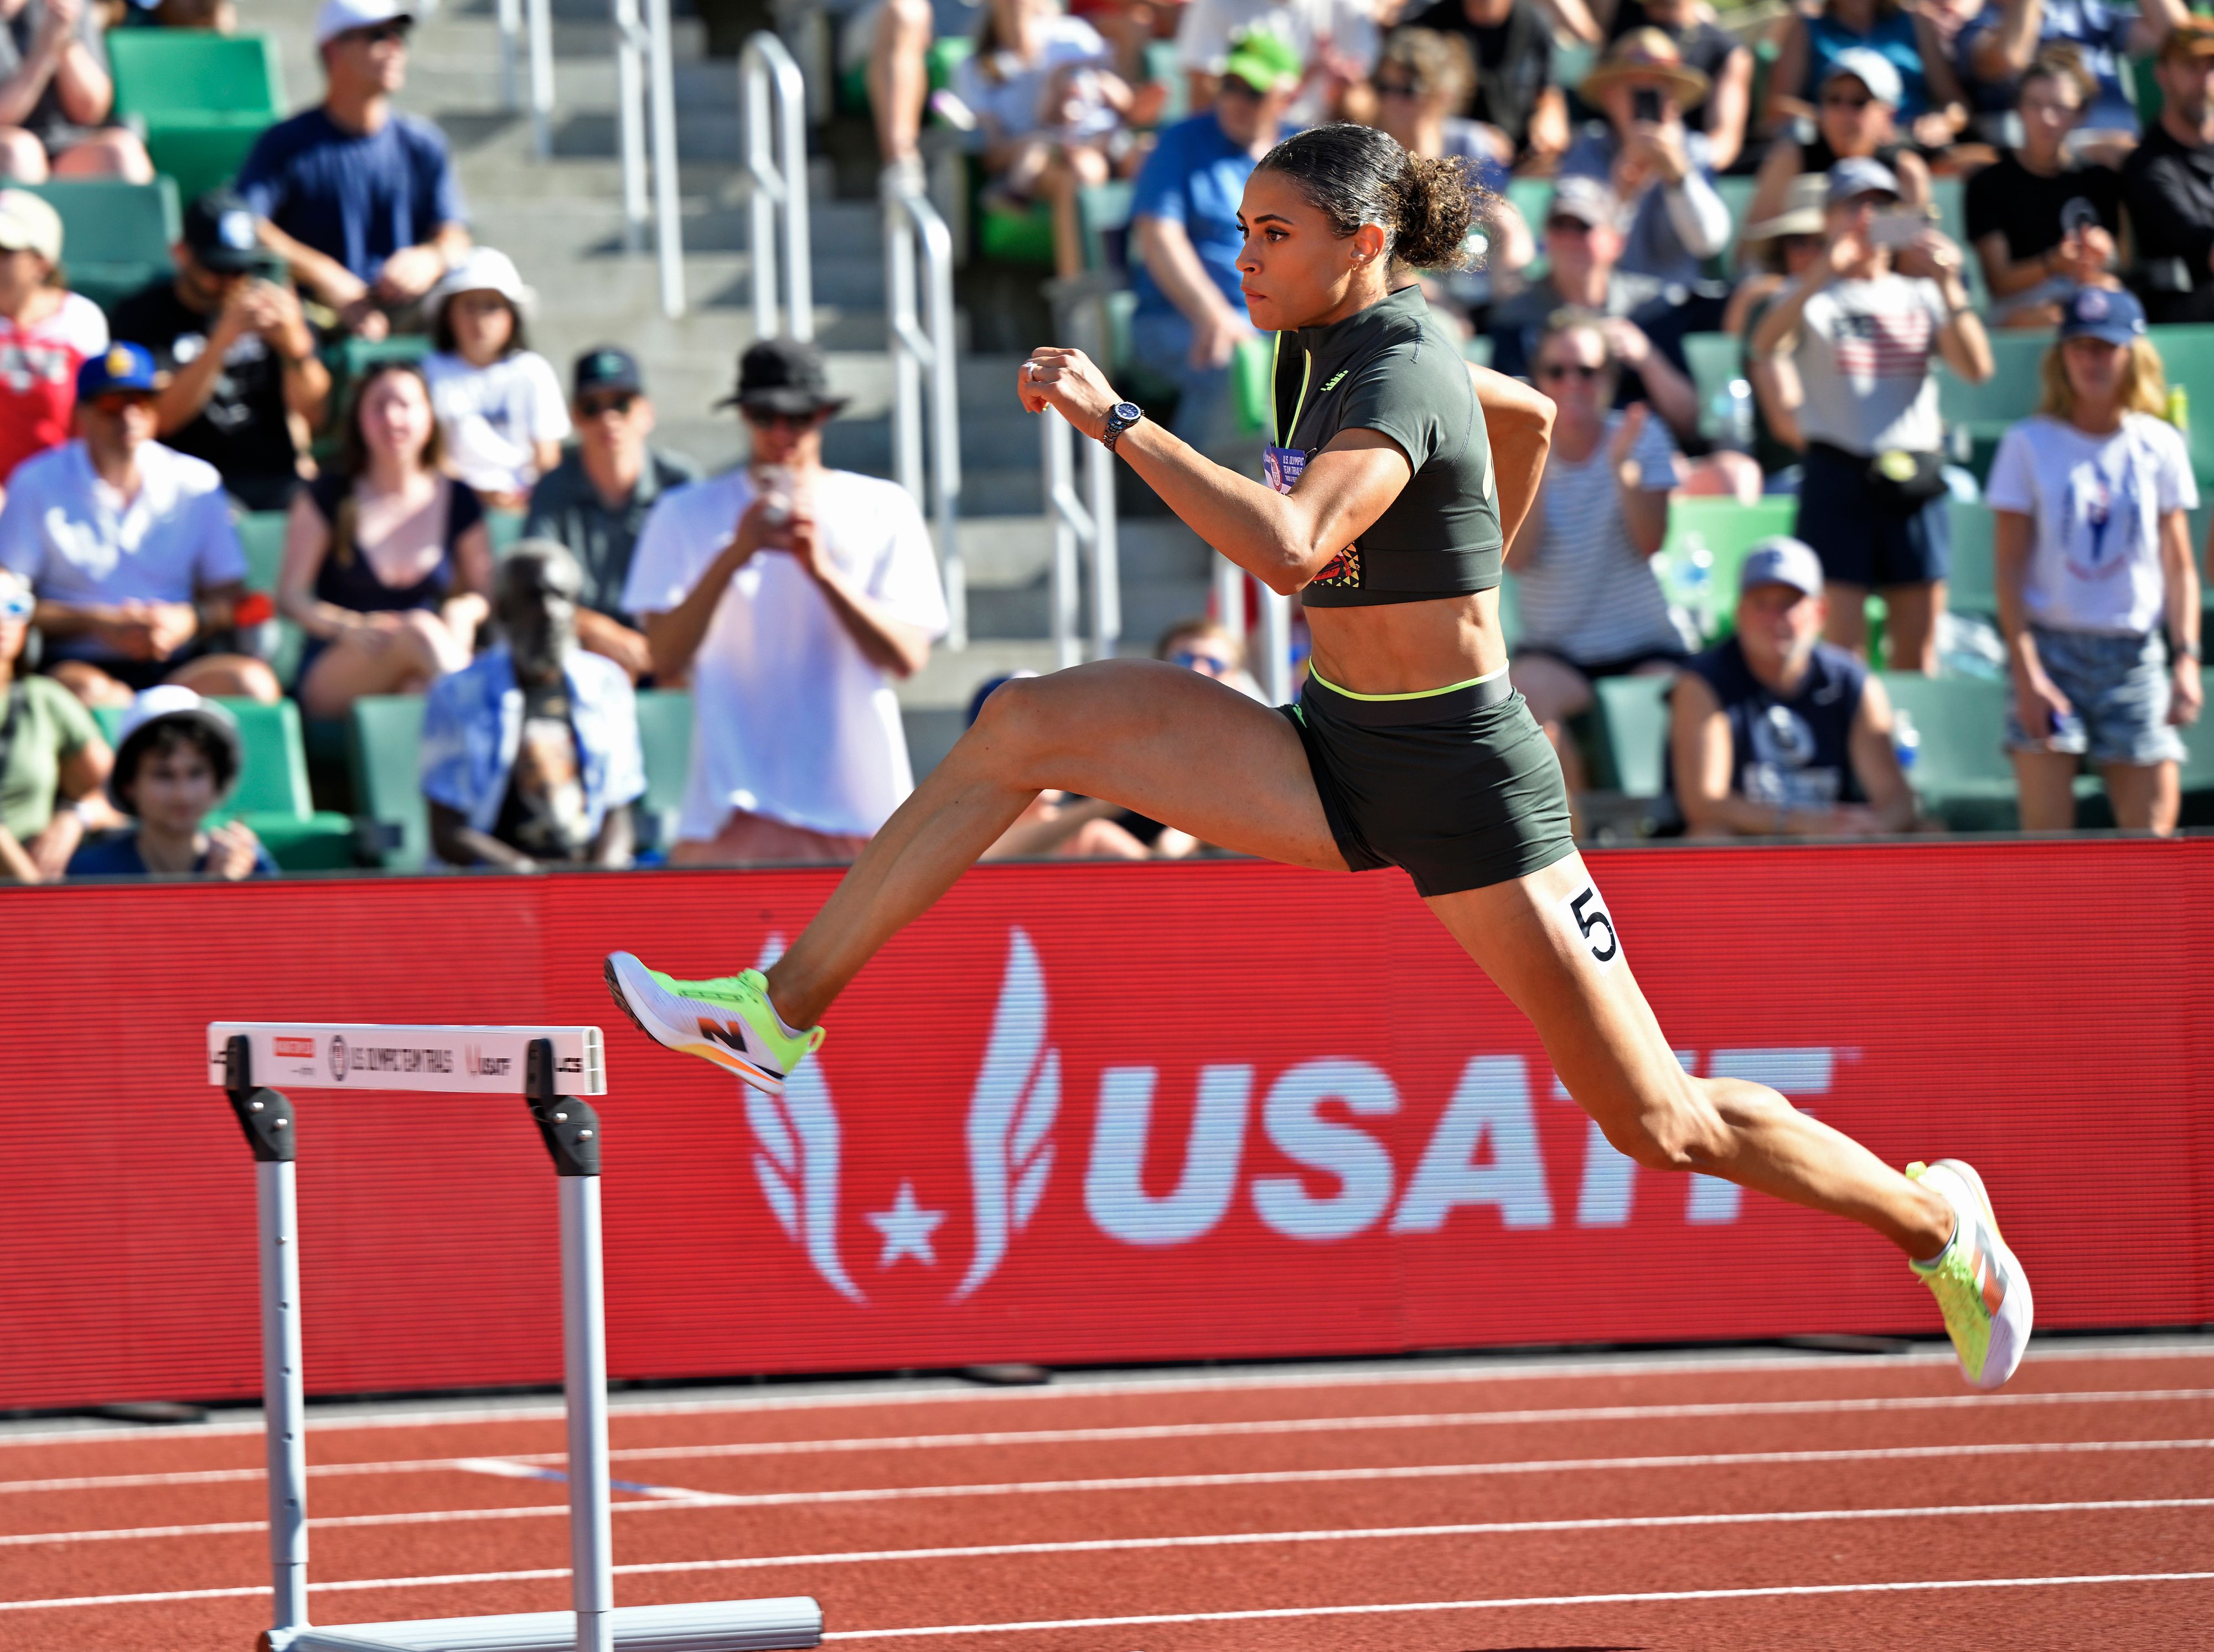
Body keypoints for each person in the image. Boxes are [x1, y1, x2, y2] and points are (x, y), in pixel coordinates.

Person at [606, 122, 2032, 1398]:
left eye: (1271, 235)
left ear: (1363, 245)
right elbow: (1520, 418)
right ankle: (781, 1010)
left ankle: (1934, 1223)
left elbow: (1291, 548)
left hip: (1471, 783)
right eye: (1236, 229)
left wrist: (1119, 418)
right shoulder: (1314, 341)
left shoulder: (1399, 357)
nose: (1243, 258)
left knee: (1659, 1120)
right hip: (1332, 745)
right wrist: (1482, 558)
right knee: (1021, 724)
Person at [620, 338, 949, 867]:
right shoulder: (684, 513)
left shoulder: (883, 507)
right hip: (729, 811)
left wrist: (821, 570)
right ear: (744, 415)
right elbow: (664, 658)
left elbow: (907, 656)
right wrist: (735, 554)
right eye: (763, 415)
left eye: (796, 417)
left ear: (823, 414)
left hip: (857, 809)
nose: (780, 433)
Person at [1748, 158, 1993, 673]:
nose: (1866, 216)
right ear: (1828, 217)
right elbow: (1764, 344)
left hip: (1913, 477)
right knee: (1842, 652)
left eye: (1880, 205)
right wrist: (1824, 270)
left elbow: (1976, 368)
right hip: (1838, 474)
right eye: (1853, 205)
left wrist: (1950, 285)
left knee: (1918, 650)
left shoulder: (1922, 294)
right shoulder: (1811, 296)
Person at [1986, 287, 2201, 835]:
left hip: (2132, 653)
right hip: (2050, 648)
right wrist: (2026, 669)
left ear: (2132, 354)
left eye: (2105, 348)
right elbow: (2008, 568)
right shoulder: (2028, 443)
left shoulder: (2158, 444)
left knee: (2151, 838)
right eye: (2079, 346)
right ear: (2061, 355)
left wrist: (2185, 657)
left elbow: (2178, 565)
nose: (2091, 360)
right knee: (2047, 844)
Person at [0, 343, 275, 707]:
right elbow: (11, 599)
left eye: (141, 401)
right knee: (94, 694)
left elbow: (235, 598)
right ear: (82, 413)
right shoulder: (37, 482)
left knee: (252, 684)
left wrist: (190, 620)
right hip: (77, 665)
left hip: (176, 662)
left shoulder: (196, 481)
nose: (129, 416)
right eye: (112, 404)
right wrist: (97, 622)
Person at [1507, 314, 1688, 799]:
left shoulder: (1641, 437)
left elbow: (1651, 540)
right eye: (1557, 371)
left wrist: (1623, 471)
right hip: (1557, 651)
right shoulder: (1517, 450)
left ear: (1608, 379)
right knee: (1519, 703)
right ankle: (1575, 855)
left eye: (1586, 372)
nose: (1572, 384)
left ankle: (1678, 846)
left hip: (1645, 646)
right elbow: (1517, 558)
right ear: (1538, 379)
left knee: (1698, 697)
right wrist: (1536, 457)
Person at [235, 0, 470, 339]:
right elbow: (247, 226)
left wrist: (430, 258)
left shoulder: (423, 144)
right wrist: (324, 274)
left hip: (404, 316)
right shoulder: (286, 143)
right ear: (333, 51)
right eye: (377, 35)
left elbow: (455, 235)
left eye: (399, 34)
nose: (395, 47)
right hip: (311, 321)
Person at [276, 359, 493, 719]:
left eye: (405, 405)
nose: (392, 418)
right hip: (338, 664)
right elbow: (291, 595)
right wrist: (348, 626)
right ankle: (490, 728)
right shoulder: (327, 494)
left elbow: (485, 591)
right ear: (359, 419)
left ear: (429, 417)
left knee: (417, 689)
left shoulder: (459, 498)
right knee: (418, 628)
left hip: (430, 660)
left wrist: (464, 611)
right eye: (379, 406)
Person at [1664, 536, 1917, 837]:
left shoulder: (1852, 680)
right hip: (1748, 844)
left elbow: (1897, 799)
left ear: (1820, 612)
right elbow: (1705, 803)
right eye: (1761, 604)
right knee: (1710, 837)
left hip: (1835, 842)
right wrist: (1803, 824)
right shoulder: (1702, 681)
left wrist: (1870, 828)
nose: (1775, 620)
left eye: (1788, 604)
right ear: (1739, 612)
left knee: (1930, 833)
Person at [420, 539, 643, 869]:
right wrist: (526, 878)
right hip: (494, 887)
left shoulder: (608, 685)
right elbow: (448, 832)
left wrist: (600, 886)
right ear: (505, 610)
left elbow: (617, 809)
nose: (551, 612)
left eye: (562, 597)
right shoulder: (458, 694)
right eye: (535, 597)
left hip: (584, 880)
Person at [1129, 28, 1301, 452]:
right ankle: (1195, 504)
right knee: (1234, 362)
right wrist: (1212, 313)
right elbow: (1158, 236)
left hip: (1280, 319)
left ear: (1286, 97)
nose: (1236, 101)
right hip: (1178, 317)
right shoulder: (1182, 141)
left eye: (1253, 92)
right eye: (1229, 86)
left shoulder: (1305, 151)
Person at [108, 188, 330, 513]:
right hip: (179, 483)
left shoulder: (280, 312)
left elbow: (316, 416)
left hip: (272, 479)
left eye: (240, 270)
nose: (230, 282)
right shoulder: (142, 316)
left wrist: (295, 349)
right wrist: (221, 342)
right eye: (217, 269)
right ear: (182, 254)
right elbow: (159, 420)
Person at [522, 346, 699, 683]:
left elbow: (700, 581)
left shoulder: (680, 483)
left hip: (669, 640)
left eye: (621, 404)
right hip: (582, 648)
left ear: (646, 413)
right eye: (592, 408)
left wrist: (662, 644)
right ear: (575, 418)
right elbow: (534, 590)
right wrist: (595, 629)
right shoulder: (553, 488)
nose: (609, 419)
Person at [953, 0, 1139, 281]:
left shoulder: (1072, 38)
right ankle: (1081, 293)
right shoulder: (976, 67)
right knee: (1083, 172)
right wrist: (1037, 142)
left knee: (1138, 160)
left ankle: (1141, 277)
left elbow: (1119, 98)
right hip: (1034, 161)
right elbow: (993, 153)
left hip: (1097, 142)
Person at [1368, 27, 1535, 327]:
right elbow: (1378, 255)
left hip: (1480, 285)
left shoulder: (1472, 143)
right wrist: (1435, 299)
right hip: (1414, 297)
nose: (1392, 101)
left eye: (1408, 91)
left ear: (1441, 95)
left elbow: (1502, 218)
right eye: (1384, 88)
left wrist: (1508, 289)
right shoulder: (1373, 154)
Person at [1560, 30, 1733, 289]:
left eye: (1655, 92)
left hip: (1675, 303)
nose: (1644, 104)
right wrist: (1619, 198)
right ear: (1610, 97)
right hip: (1607, 302)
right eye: (1635, 91)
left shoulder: (1694, 150)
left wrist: (1679, 177)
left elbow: (1708, 243)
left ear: (1674, 101)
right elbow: (1570, 247)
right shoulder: (1586, 151)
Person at [1964, 49, 2123, 329]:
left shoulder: (2098, 178)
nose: (2047, 118)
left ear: (2080, 113)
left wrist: (2102, 254)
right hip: (2022, 307)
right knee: (2054, 320)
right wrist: (2054, 263)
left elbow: (2122, 261)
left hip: (2087, 296)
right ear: (2019, 109)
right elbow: (2000, 283)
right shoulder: (1989, 183)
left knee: (2111, 297)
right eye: (2035, 105)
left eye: (2060, 107)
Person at [66, 682, 275, 876]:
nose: (182, 794)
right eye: (163, 775)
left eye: (196, 773)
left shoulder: (248, 864)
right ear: (129, 784)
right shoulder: (91, 873)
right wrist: (213, 894)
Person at [1740, 48, 1933, 256]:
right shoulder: (1791, 158)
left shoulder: (1906, 171)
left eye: (1859, 102)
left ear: (1888, 115)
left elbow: (1918, 260)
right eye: (1834, 99)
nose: (1843, 113)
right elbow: (1751, 251)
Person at [420, 246, 568, 509]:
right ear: (448, 314)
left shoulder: (533, 371)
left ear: (513, 316)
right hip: (451, 505)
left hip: (526, 504)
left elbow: (547, 458)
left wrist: (524, 500)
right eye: (469, 307)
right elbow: (436, 459)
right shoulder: (431, 371)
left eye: (492, 307)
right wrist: (477, 496)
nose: (480, 319)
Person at [0, 565, 117, 881]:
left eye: (14, 607)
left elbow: (124, 797)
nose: (4, 620)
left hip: (33, 892)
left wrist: (76, 816)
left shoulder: (44, 701)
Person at [1958, 0, 2181, 153]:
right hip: (2050, 166)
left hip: (2124, 152)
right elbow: (2009, 58)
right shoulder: (1980, 23)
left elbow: (2177, 38)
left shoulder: (2081, 9)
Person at [0, 186, 102, 495]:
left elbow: (92, 418)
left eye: (4, 251)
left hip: (63, 492)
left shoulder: (81, 319)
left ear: (42, 263)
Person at [1725, 173, 1827, 482]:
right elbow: (1787, 425)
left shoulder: (1872, 303)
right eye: (1798, 242)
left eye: (1821, 243)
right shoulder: (1768, 307)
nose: (1809, 254)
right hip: (1795, 473)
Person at [1766, 0, 1965, 146]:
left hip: (1912, 144)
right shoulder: (1805, 28)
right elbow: (1775, 109)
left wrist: (1944, 123)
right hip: (1835, 152)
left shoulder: (1917, 23)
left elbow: (1957, 105)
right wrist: (1839, 120)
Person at [2122, 18, 2214, 325]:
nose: (2205, 81)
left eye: (2212, 66)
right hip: (2181, 309)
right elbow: (2206, 253)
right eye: (2191, 67)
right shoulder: (2148, 164)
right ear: (2163, 75)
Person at [1399, 0, 1569, 167]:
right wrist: (1474, 132)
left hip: (1521, 151)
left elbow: (1548, 87)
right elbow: (1406, 101)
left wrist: (1549, 117)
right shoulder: (1429, 25)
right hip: (1455, 150)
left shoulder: (1533, 20)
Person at [0, 0, 153, 182]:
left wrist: (64, 39)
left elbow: (91, 110)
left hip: (68, 143)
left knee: (120, 153)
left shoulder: (68, 5)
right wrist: (43, 54)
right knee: (19, 153)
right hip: (12, 143)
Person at [1596, 0, 1753, 172]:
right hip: (1608, 165)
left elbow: (1725, 143)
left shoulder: (1726, 51)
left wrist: (1678, 163)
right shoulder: (1620, 20)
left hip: (1682, 164)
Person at [1174, 0, 1380, 126]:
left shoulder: (1347, 9)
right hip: (1239, 150)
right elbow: (1201, 107)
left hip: (1323, 155)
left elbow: (1364, 111)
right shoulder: (1217, 5)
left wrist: (1344, 91)